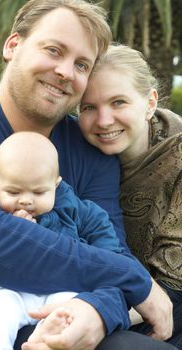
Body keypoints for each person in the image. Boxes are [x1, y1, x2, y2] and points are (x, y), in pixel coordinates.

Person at [0, 0, 175, 349]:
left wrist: (97, 310)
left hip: (69, 305)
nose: (66, 72)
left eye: (81, 64)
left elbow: (111, 245)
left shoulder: (90, 150)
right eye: (54, 50)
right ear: (13, 46)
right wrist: (131, 278)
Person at [0, 130, 124, 350]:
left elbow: (101, 231)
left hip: (63, 287)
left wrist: (106, 258)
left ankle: (46, 337)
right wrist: (17, 231)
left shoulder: (73, 208)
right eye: (13, 192)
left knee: (71, 309)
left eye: (39, 192)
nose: (25, 201)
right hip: (14, 289)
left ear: (55, 184)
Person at [78, 43, 182, 350]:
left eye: (118, 102)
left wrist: (96, 317)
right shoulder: (73, 156)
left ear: (149, 102)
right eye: (88, 107)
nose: (104, 120)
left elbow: (173, 281)